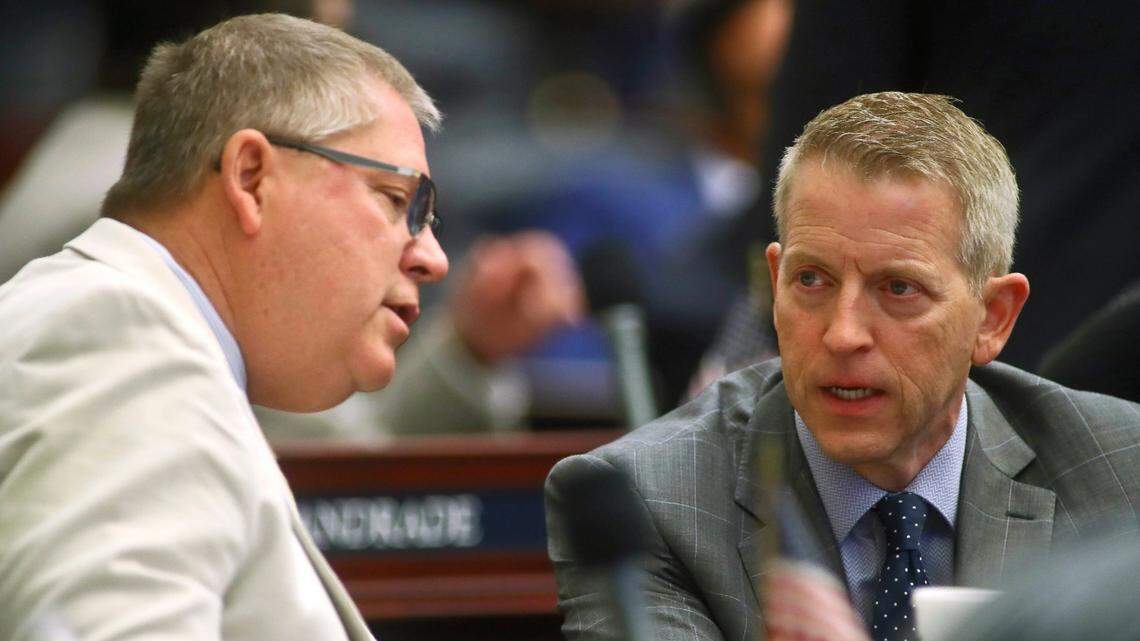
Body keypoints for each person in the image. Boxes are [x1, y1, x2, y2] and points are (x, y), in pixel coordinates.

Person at [544, 92, 1140, 641]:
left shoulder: (1122, 479)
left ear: (992, 317)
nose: (843, 333)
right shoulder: (654, 501)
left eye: (899, 288)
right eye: (812, 281)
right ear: (774, 286)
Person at [0, 13, 447, 641]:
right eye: (398, 200)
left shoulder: (136, 337)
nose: (433, 258)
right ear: (251, 179)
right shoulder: (125, 345)